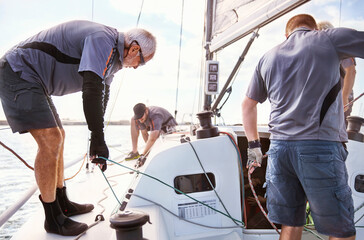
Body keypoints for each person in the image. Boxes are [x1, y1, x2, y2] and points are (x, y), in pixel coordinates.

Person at [0, 20, 156, 236]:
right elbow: (91, 88)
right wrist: (97, 139)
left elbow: (102, 96)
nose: (137, 67)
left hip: (37, 81)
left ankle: (62, 202)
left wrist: (98, 140)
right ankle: (53, 219)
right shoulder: (103, 40)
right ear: (135, 48)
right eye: (142, 62)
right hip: (18, 71)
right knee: (50, 139)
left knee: (59, 136)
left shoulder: (114, 61)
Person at [242, 14, 364, 240]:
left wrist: (254, 147)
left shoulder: (267, 57)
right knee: (342, 232)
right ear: (314, 28)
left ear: (286, 34)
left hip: (279, 153)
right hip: (319, 150)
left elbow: (248, 105)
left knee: (290, 225)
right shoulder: (328, 39)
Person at [317, 21, 357, 126]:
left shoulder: (340, 47)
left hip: (341, 98)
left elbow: (351, 71)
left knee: (338, 129)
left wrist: (344, 97)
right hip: (326, 98)